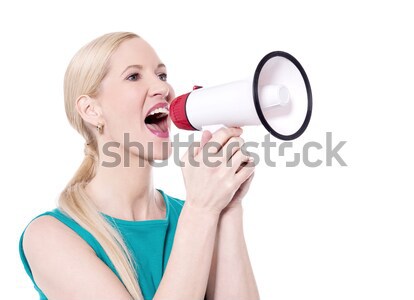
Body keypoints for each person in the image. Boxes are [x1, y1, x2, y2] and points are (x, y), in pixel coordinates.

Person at [19, 32, 259, 300]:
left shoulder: (198, 213)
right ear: (91, 110)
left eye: (162, 76)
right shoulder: (49, 237)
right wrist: (202, 209)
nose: (163, 89)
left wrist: (229, 208)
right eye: (133, 76)